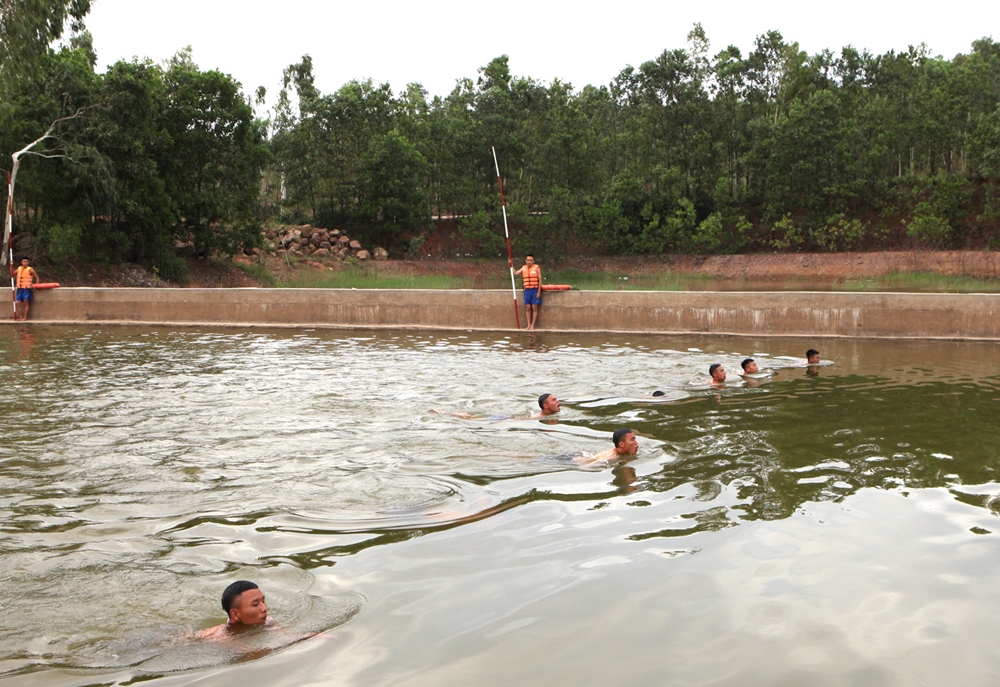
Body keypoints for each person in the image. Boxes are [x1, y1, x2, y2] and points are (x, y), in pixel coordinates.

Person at [198, 580, 270, 639]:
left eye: (263, 601)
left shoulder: (269, 622)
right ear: (235, 614)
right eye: (255, 604)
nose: (264, 608)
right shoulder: (215, 637)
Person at [513, 254, 542, 330]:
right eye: (528, 260)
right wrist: (511, 265)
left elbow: (540, 280)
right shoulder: (523, 268)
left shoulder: (537, 268)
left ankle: (533, 325)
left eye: (530, 260)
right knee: (528, 307)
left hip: (535, 289)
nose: (529, 262)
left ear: (533, 261)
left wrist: (539, 292)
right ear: (526, 261)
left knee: (534, 307)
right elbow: (515, 273)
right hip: (527, 290)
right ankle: (528, 324)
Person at [14, 257, 38, 321]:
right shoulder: (19, 268)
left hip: (27, 289)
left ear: (28, 262)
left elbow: (36, 277)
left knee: (26, 302)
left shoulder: (30, 270)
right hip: (20, 288)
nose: (25, 263)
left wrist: (36, 285)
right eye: (23, 261)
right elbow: (12, 273)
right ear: (21, 262)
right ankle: (21, 316)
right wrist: (11, 265)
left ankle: (25, 317)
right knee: (17, 303)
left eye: (26, 262)